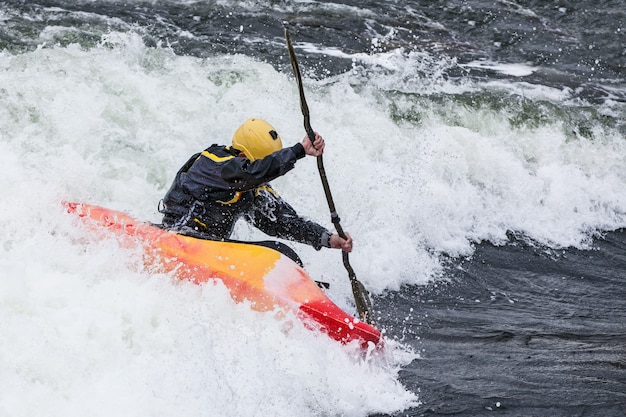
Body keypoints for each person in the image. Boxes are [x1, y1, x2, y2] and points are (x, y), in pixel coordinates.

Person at [158, 118, 352, 266]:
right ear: (242, 156)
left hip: (211, 248)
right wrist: (298, 150)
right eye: (259, 164)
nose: (263, 174)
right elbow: (251, 173)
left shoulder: (251, 188)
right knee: (278, 253)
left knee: (283, 254)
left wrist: (328, 239)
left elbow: (282, 222)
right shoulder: (211, 164)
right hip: (178, 236)